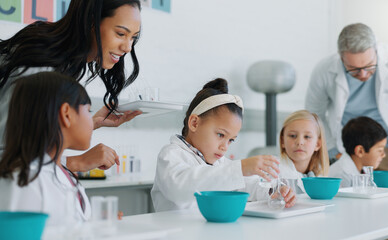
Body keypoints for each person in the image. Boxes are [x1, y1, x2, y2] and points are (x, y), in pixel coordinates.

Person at [0, 0, 143, 173]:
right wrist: (77, 162)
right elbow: (8, 155)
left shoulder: (65, 63)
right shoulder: (39, 67)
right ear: (91, 21)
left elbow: (34, 137)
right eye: (120, 33)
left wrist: (90, 123)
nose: (128, 47)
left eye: (133, 37)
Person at [305, 23, 388, 179]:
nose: (363, 74)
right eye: (354, 69)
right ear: (341, 57)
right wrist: (332, 152)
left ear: (376, 49)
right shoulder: (324, 70)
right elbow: (314, 115)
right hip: (347, 153)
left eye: (369, 66)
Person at [151, 78, 296, 212]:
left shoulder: (219, 163)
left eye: (231, 140)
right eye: (220, 135)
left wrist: (272, 191)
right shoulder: (171, 155)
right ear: (194, 123)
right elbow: (180, 188)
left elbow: (245, 184)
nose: (225, 147)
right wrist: (240, 168)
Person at [0, 72, 93, 226]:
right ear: (66, 114)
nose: (91, 120)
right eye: (89, 111)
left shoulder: (60, 172)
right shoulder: (24, 181)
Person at [278, 110, 330, 193]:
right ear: (282, 141)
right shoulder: (274, 172)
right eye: (292, 136)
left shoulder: (320, 176)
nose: (299, 142)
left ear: (317, 144)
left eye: (307, 137)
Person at [329, 116, 387, 188]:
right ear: (360, 151)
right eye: (380, 150)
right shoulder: (341, 177)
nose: (383, 155)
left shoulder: (363, 170)